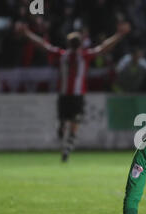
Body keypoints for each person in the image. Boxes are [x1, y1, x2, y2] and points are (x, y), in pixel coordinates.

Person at [19, 22, 131, 162]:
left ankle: (61, 126)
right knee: (75, 122)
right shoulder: (84, 56)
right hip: (77, 96)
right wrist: (119, 35)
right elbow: (103, 48)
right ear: (81, 44)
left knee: (65, 120)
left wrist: (27, 33)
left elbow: (43, 45)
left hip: (64, 95)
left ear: (68, 43)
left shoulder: (62, 55)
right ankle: (67, 146)